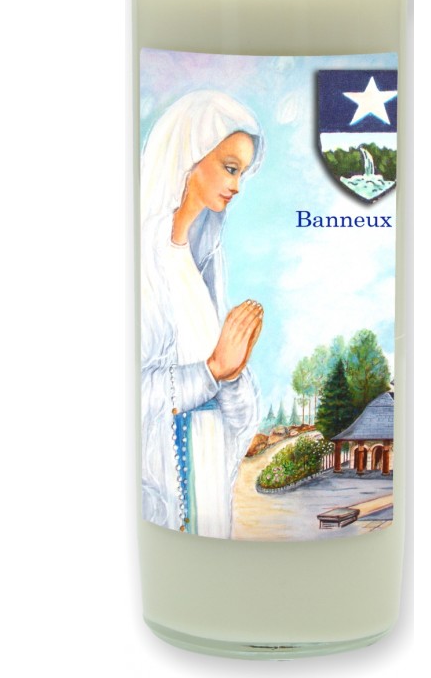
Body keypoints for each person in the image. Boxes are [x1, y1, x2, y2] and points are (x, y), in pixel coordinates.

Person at [140, 90, 265, 538]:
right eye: (230, 168)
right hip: (168, 478)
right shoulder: (142, 263)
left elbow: (240, 417)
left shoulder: (202, 264)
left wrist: (233, 371)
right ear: (189, 155)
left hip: (209, 469)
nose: (237, 185)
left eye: (242, 173)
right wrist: (212, 370)